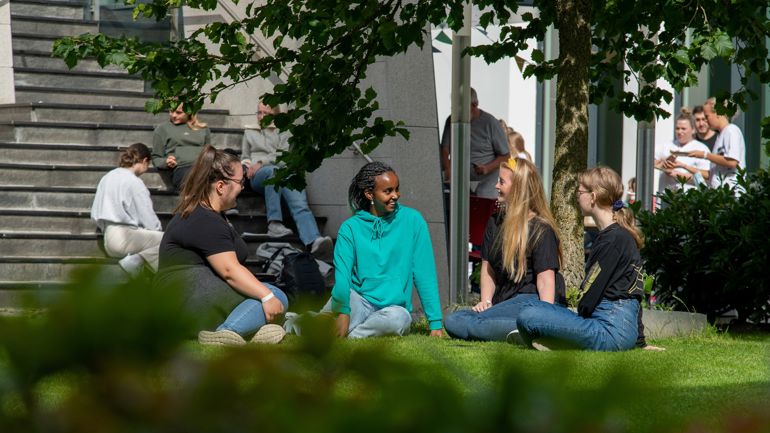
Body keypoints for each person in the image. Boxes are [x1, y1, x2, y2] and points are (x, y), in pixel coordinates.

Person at [155, 145, 288, 345]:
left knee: (265, 295)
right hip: (189, 295)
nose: (243, 187)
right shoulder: (205, 219)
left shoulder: (204, 214)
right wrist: (267, 296)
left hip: (190, 295)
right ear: (220, 186)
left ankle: (250, 330)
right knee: (274, 294)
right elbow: (229, 270)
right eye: (240, 182)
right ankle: (226, 332)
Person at [514, 166, 645, 351]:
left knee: (528, 316)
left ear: (593, 196)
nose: (577, 196)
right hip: (614, 328)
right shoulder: (616, 236)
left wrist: (571, 320)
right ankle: (552, 339)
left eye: (580, 191)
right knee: (533, 307)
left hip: (609, 330)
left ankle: (551, 338)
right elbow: (635, 291)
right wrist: (640, 342)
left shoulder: (613, 240)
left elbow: (590, 293)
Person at [443, 157, 566, 341]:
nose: (496, 186)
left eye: (501, 182)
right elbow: (488, 268)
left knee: (473, 323)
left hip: (531, 301)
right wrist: (486, 301)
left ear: (517, 189)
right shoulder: (495, 222)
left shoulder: (541, 230)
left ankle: (537, 330)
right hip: (505, 303)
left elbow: (545, 281)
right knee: (453, 320)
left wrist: (544, 317)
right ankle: (522, 331)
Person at [322, 161, 443, 338]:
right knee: (340, 311)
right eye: (388, 191)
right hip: (357, 300)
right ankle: (299, 324)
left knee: (399, 320)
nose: (396, 195)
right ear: (369, 194)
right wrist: (343, 312)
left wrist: (435, 323)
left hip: (393, 309)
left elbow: (425, 273)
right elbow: (342, 276)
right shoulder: (350, 228)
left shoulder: (413, 221)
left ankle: (350, 334)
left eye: (397, 189)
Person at [241, 101, 333, 261]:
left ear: (276, 115)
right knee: (272, 172)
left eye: (266, 113)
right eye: (259, 112)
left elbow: (284, 156)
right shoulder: (249, 131)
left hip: (281, 171)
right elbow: (245, 157)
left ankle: (314, 240)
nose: (261, 117)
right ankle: (274, 223)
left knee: (297, 195)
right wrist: (247, 166)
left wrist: (262, 162)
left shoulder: (284, 131)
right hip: (258, 176)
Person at [91, 143, 163, 275]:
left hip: (109, 236)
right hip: (125, 237)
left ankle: (139, 264)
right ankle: (137, 261)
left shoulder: (107, 177)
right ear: (145, 161)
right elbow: (148, 218)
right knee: (169, 241)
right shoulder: (134, 182)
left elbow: (96, 212)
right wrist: (156, 231)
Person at [440, 88, 510, 198]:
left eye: (462, 109)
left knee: (482, 205)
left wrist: (487, 168)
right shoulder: (451, 120)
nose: (458, 113)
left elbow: (505, 156)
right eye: (455, 107)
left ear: (474, 104)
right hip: (459, 183)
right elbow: (444, 149)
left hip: (487, 185)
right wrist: (448, 170)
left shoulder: (491, 123)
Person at [688, 97, 745, 192]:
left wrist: (705, 155)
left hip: (732, 193)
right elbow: (713, 174)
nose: (706, 121)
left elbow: (732, 161)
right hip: (721, 193)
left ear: (718, 113)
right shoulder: (720, 135)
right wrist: (683, 166)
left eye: (707, 117)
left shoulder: (731, 130)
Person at [151, 103, 212, 190]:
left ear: (189, 112)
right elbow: (156, 158)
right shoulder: (163, 129)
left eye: (179, 112)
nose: (173, 115)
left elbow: (209, 153)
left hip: (202, 167)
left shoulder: (203, 129)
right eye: (171, 111)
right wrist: (166, 162)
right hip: (181, 169)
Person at [654, 107, 711, 195]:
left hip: (688, 198)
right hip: (665, 198)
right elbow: (648, 159)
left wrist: (676, 174)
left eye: (683, 128)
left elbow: (705, 179)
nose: (680, 132)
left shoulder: (701, 149)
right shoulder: (666, 146)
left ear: (693, 130)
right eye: (677, 128)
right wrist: (662, 164)